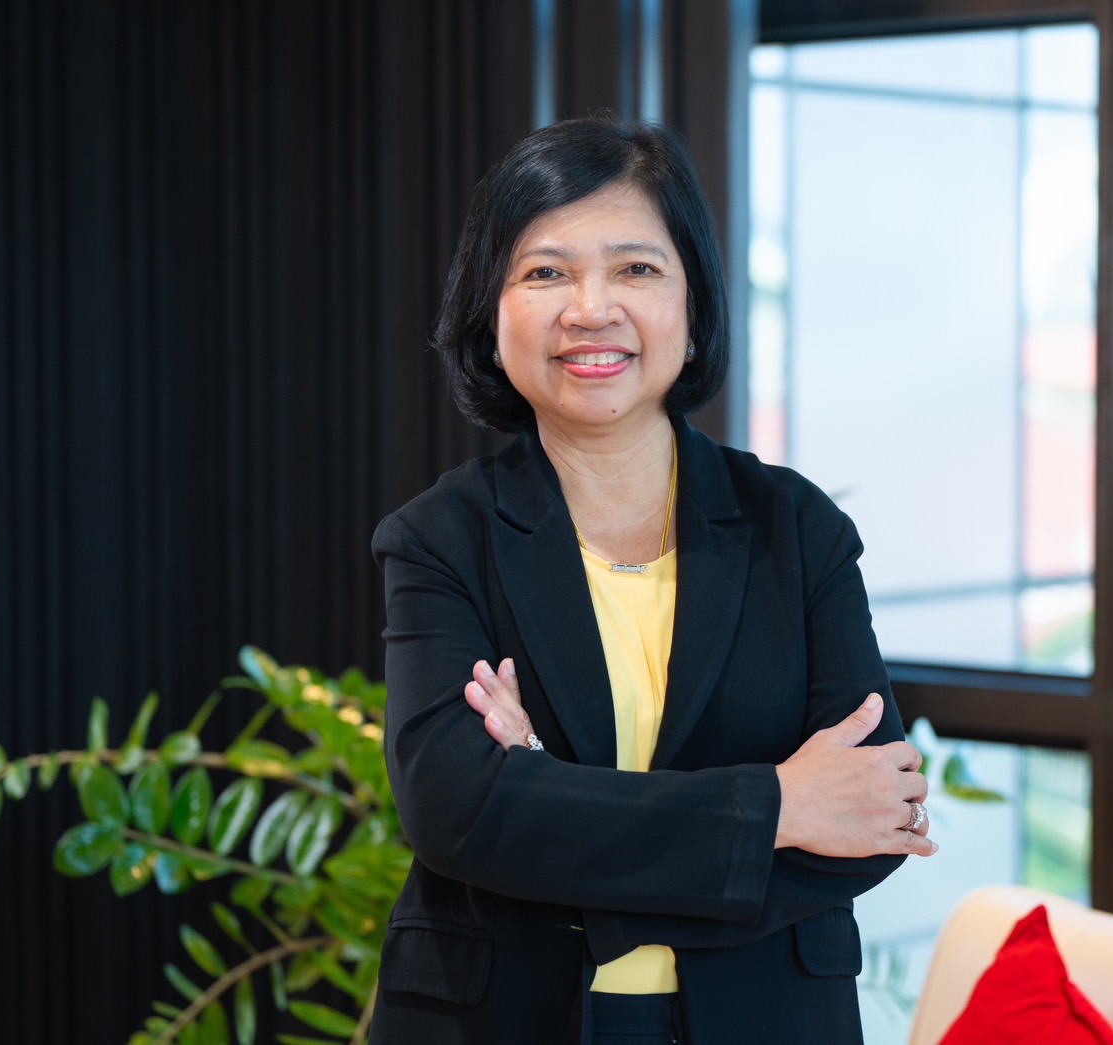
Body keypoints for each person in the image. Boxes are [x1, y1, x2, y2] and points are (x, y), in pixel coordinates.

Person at [370, 117, 935, 1045]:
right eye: (545, 272)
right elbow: (457, 812)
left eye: (635, 268)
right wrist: (781, 806)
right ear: (490, 315)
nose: (590, 308)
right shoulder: (440, 539)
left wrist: (548, 800)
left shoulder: (795, 529)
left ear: (693, 304)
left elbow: (876, 814)